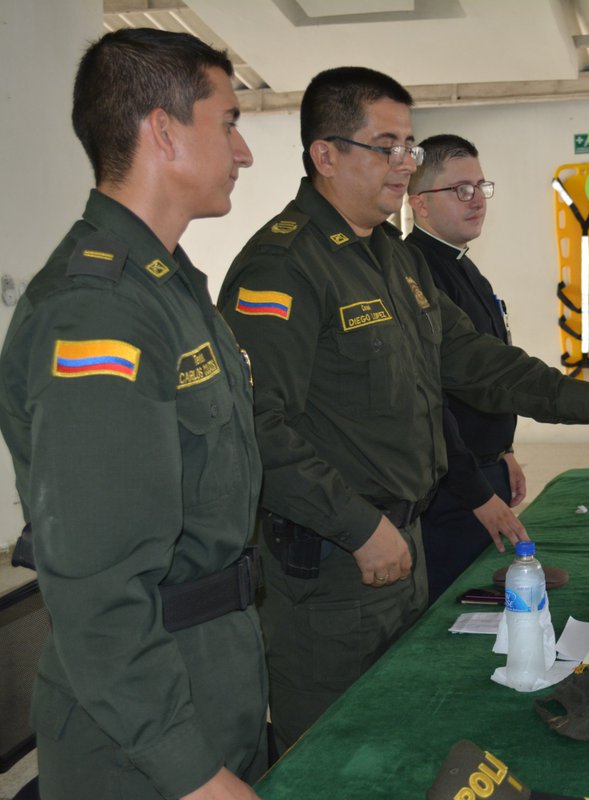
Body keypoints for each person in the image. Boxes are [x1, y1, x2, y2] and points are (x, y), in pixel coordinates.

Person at [217, 67, 589, 751]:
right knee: (337, 754)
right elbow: (256, 428)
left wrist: (585, 396)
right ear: (324, 154)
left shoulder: (392, 258)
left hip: (403, 543)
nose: (403, 165)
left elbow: (471, 359)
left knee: (403, 735)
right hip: (334, 561)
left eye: (409, 146)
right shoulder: (285, 267)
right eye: (384, 146)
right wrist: (358, 527)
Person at [0, 28, 265, 800]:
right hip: (140, 739)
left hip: (211, 672)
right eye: (229, 121)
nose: (243, 151)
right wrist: (190, 770)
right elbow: (96, 584)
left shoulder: (170, 289)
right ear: (163, 130)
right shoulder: (99, 311)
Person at [406, 134, 528, 601]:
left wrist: (505, 449)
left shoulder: (464, 266)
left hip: (483, 468)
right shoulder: (418, 273)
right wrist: (477, 491)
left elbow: (488, 369)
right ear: (419, 202)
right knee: (459, 611)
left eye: (480, 186)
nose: (476, 199)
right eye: (460, 189)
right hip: (452, 488)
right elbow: (431, 401)